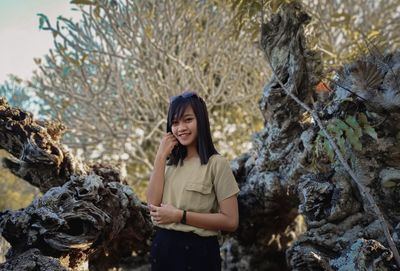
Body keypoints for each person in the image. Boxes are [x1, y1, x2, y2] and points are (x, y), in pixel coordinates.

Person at [146, 91, 240, 271]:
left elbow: (231, 221)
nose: (180, 128)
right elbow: (152, 205)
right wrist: (160, 157)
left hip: (199, 254)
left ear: (201, 121)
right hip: (162, 250)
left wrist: (180, 216)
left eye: (188, 120)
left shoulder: (216, 164)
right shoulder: (168, 165)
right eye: (175, 122)